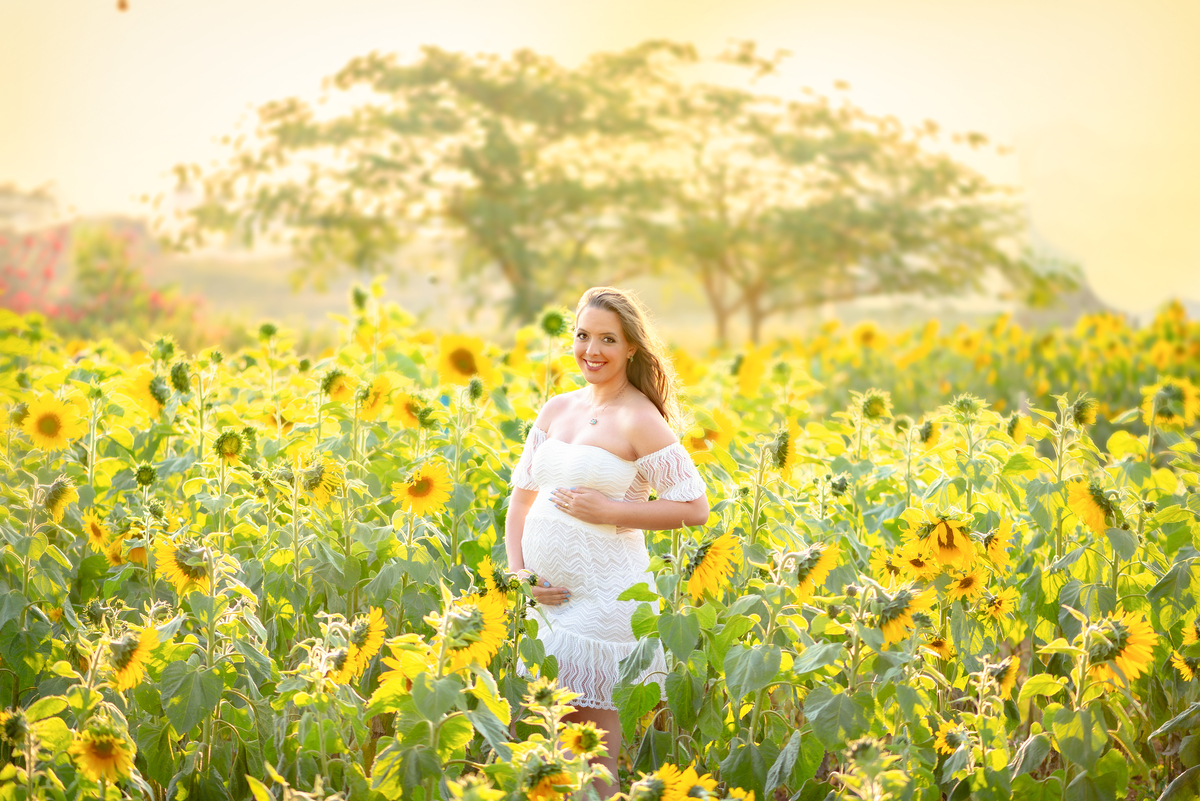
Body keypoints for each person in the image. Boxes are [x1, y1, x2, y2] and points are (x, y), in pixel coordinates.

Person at [505, 287, 709, 797]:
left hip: (605, 603)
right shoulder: (556, 409)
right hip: (546, 602)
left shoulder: (640, 418)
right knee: (542, 750)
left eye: (607, 340)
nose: (591, 350)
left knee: (593, 756)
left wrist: (613, 510)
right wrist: (520, 574)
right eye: (582, 336)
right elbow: (520, 501)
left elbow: (693, 508)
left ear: (632, 347)